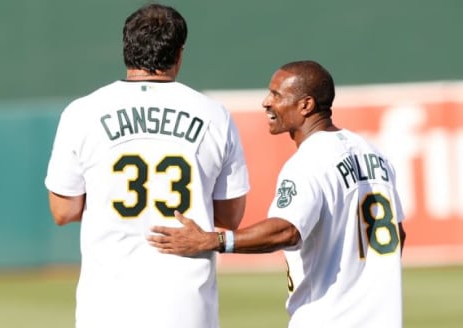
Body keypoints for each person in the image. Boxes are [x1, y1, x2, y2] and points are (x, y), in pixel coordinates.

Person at [148, 60, 406, 328]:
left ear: (306, 105)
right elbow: (399, 234)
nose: (266, 102)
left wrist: (212, 241)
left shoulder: (310, 160)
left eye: (276, 95)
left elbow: (287, 230)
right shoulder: (373, 153)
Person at [44, 3, 249, 328]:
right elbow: (230, 216)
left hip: (106, 305)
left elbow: (63, 211)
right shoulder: (214, 115)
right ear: (179, 54)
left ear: (126, 50)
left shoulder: (82, 112)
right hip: (187, 305)